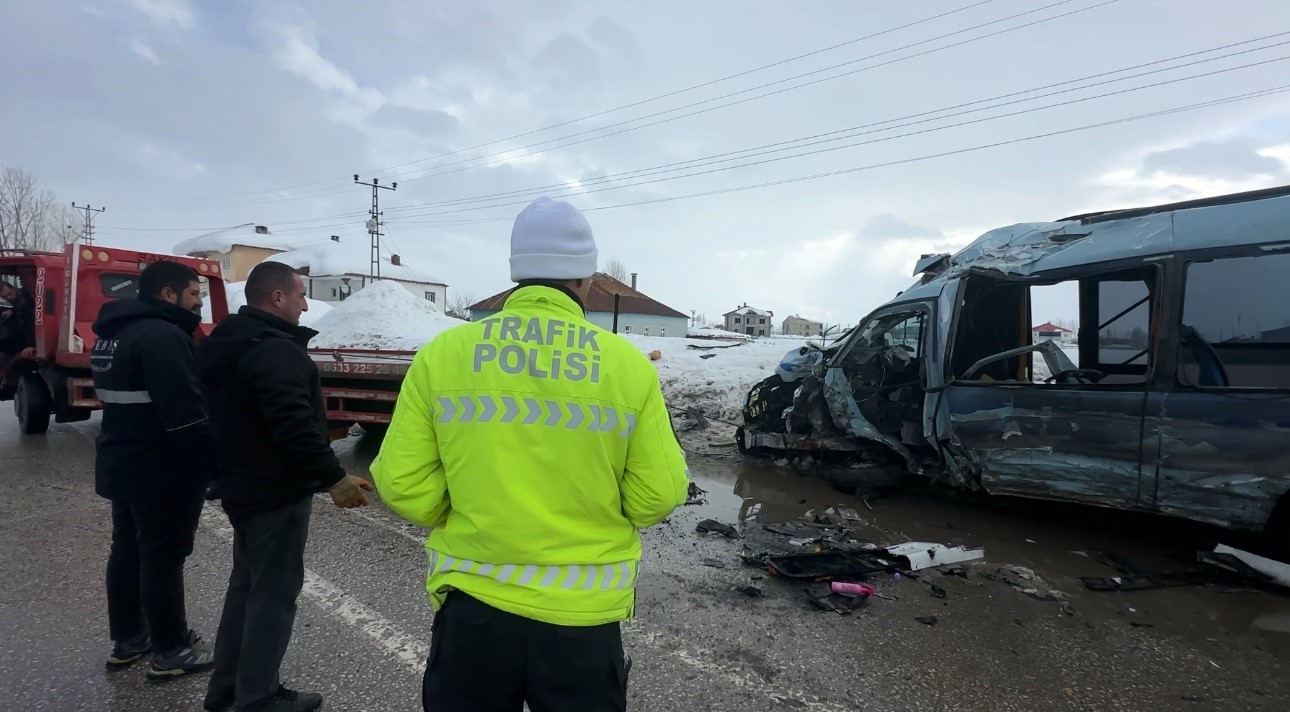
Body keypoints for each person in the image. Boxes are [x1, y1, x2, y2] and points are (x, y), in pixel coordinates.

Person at [371, 196, 690, 712]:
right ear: (587, 278)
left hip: (472, 615)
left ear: (515, 271)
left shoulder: (444, 354)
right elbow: (658, 494)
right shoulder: (626, 366)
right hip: (581, 626)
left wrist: (460, 510)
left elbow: (403, 483)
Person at [198, 260, 373, 712]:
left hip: (243, 486)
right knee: (272, 598)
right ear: (277, 297)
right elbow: (294, 426)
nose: (305, 304)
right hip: (274, 492)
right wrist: (333, 478)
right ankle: (257, 698)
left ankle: (226, 691)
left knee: (246, 589)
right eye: (299, 295)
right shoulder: (274, 350)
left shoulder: (231, 341)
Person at [90, 260, 216, 681]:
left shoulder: (112, 335)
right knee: (162, 558)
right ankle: (173, 649)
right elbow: (186, 419)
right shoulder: (164, 337)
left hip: (121, 462)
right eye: (195, 295)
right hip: (161, 471)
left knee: (127, 551)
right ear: (168, 294)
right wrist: (214, 468)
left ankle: (129, 639)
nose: (199, 304)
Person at [0, 279, 36, 363]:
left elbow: (30, 321)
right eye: (5, 297)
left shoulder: (26, 297)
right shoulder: (11, 303)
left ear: (14, 288)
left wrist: (32, 345)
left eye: (10, 293)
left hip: (28, 341)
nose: (9, 298)